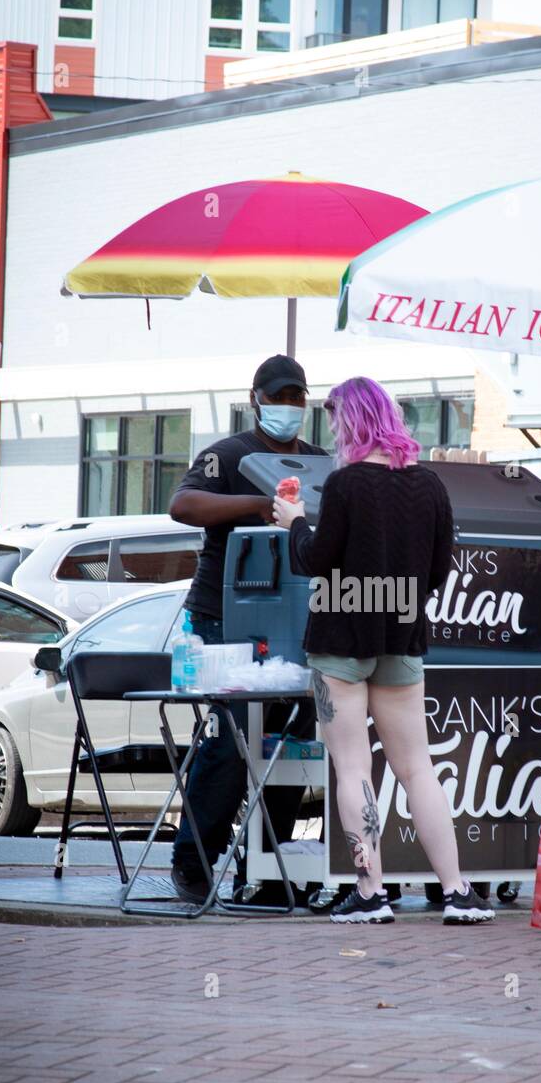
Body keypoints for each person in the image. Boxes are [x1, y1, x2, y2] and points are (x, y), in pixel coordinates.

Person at [272, 376, 494, 926]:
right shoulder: (431, 486)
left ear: (351, 422)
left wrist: (294, 523)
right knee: (419, 768)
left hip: (340, 640)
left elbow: (318, 559)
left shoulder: (346, 485)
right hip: (402, 636)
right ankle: (458, 890)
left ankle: (370, 892)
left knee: (354, 769)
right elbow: (440, 570)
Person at [168, 354, 327, 903]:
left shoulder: (318, 463)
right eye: (278, 396)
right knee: (232, 741)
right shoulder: (230, 454)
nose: (287, 407)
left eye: (296, 398)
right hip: (224, 617)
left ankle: (265, 867)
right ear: (256, 397)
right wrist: (261, 505)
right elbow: (182, 504)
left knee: (292, 742)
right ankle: (194, 859)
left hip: (295, 622)